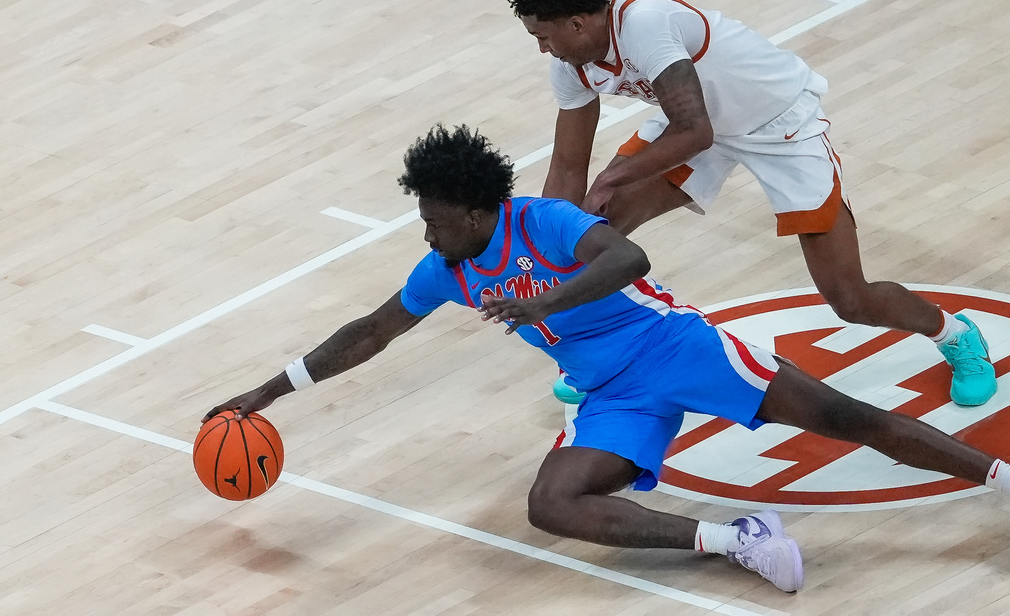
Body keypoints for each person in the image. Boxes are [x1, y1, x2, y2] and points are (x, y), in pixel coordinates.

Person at [205, 124, 1010, 593]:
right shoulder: (445, 270)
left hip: (674, 346)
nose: (427, 232)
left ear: (481, 208)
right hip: (610, 393)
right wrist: (268, 392)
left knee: (846, 417)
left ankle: (998, 480)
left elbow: (628, 262)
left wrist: (542, 303)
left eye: (437, 217)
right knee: (550, 503)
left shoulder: (544, 222)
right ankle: (738, 540)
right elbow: (368, 331)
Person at [506, 0, 997, 407]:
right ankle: (604, 359)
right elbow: (569, 165)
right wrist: (551, 237)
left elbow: (694, 131)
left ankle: (954, 334)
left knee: (850, 298)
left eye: (543, 37)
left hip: (778, 126)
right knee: (593, 235)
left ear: (577, 21)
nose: (543, 50)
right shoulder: (570, 65)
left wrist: (612, 177)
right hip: (695, 124)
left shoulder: (644, 22)